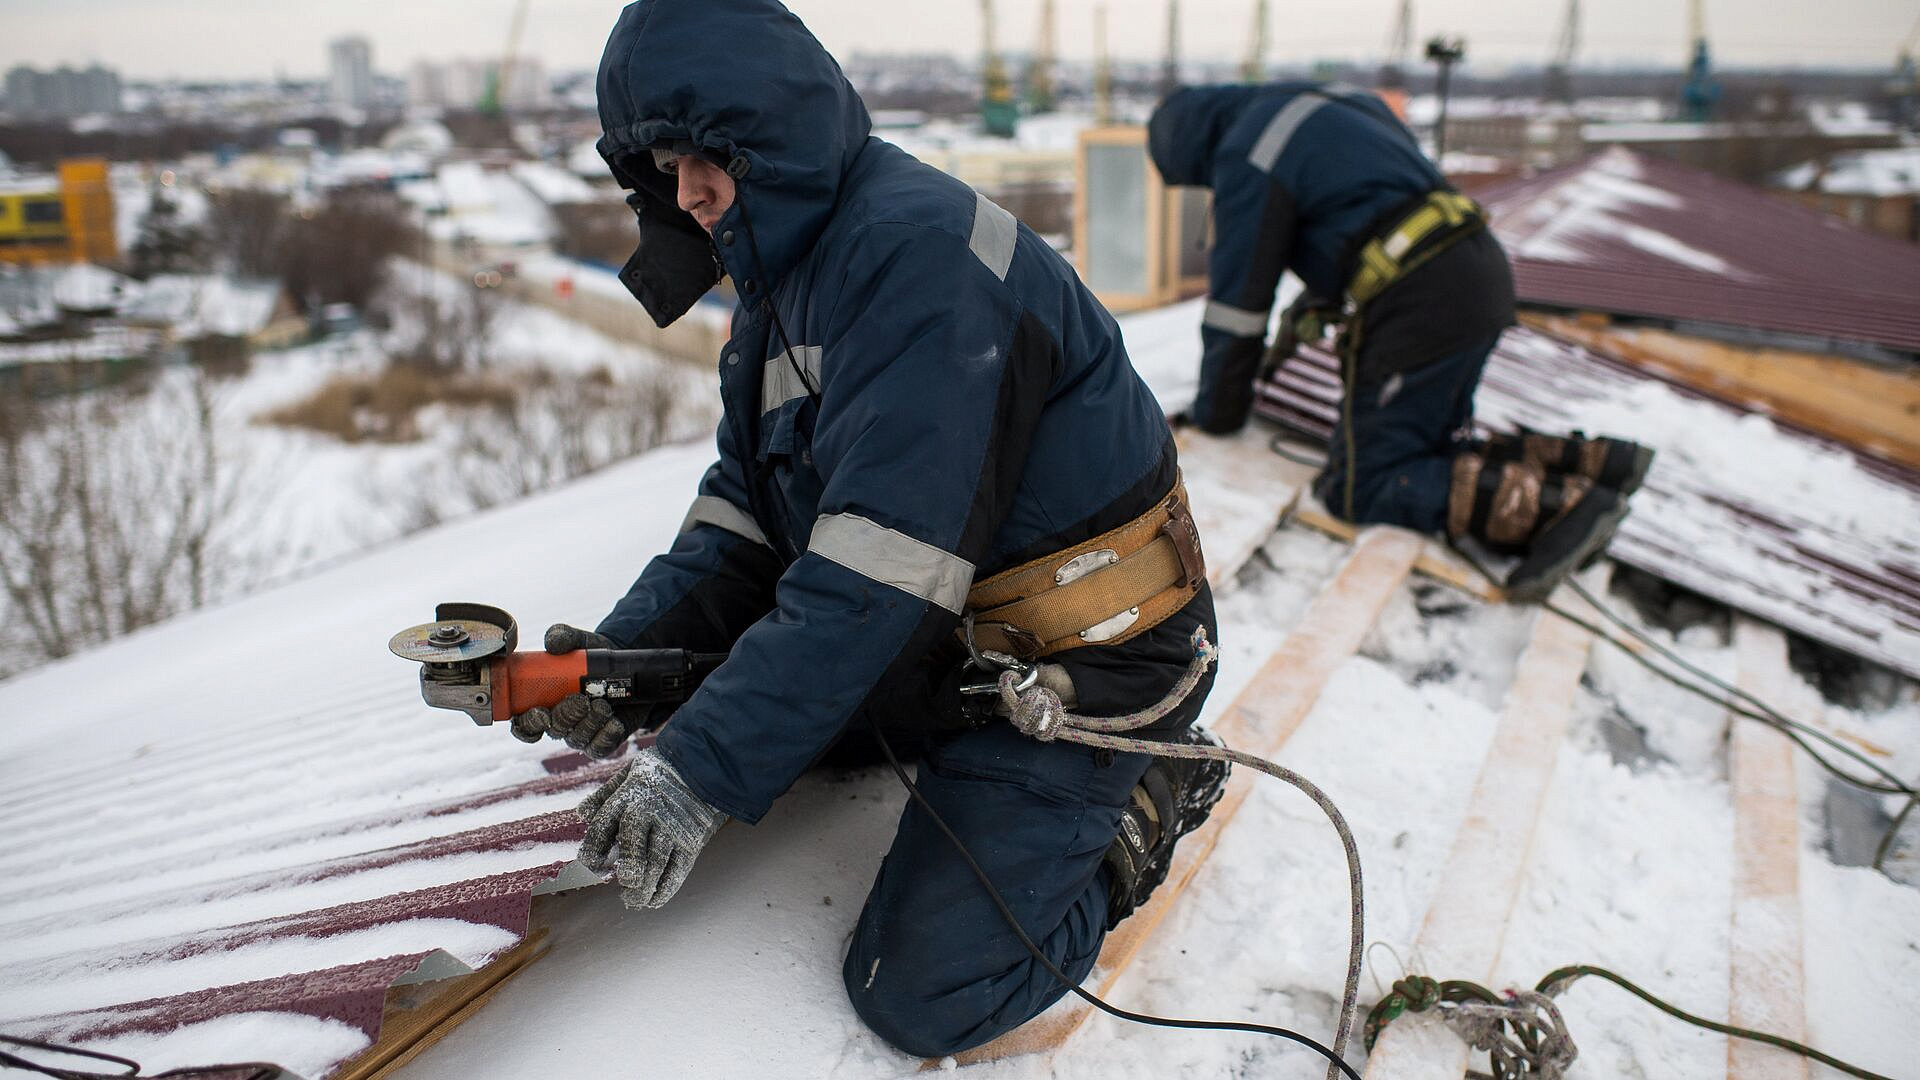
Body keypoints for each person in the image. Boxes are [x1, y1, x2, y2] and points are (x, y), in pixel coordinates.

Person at [509, 0, 1225, 1058]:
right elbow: (745, 517)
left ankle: (1153, 791)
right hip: (945, 641)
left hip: (1085, 661)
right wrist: (621, 658)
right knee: (716, 697)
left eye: (712, 158)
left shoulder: (915, 261)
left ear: (781, 138)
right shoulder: (783, 277)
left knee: (923, 990)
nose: (689, 192)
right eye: (664, 165)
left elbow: (874, 573)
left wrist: (698, 772)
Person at [1147, 83, 1652, 602]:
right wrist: (1323, 292)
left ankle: (1561, 511)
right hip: (1476, 269)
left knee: (1358, 486)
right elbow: (1365, 205)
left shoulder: (1247, 154)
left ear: (1192, 150)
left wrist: (1218, 416)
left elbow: (1237, 311)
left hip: (1422, 299)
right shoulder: (1331, 106)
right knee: (1425, 446)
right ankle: (1595, 465)